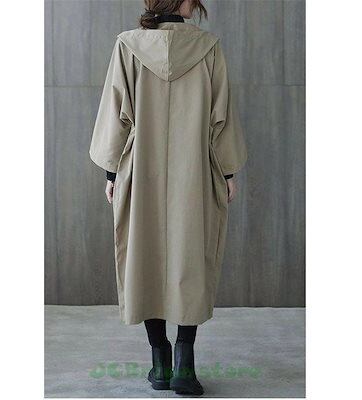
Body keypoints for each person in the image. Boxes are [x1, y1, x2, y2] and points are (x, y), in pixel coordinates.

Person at [89, 0, 247, 395]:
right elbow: (221, 116)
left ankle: (159, 362)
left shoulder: (128, 45)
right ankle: (184, 365)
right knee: (190, 259)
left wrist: (112, 173)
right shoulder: (209, 48)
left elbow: (115, 114)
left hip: (140, 170)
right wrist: (227, 171)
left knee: (144, 259)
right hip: (194, 172)